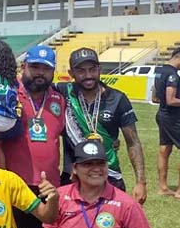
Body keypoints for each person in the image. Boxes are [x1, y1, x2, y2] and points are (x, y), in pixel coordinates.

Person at [58, 48, 147, 203]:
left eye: (92, 69)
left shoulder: (118, 99)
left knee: (110, 218)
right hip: (72, 176)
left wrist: (141, 182)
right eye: (81, 71)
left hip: (108, 174)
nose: (88, 75)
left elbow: (133, 142)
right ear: (71, 73)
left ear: (100, 69)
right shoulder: (63, 92)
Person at [3, 45, 68, 228]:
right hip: (13, 185)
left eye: (46, 68)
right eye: (35, 67)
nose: (40, 73)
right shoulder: (8, 93)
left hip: (47, 187)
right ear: (23, 67)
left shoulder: (59, 100)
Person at [153, 46, 180, 200]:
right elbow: (171, 100)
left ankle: (163, 188)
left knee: (164, 150)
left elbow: (154, 98)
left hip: (162, 114)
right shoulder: (172, 75)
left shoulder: (159, 71)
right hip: (173, 118)